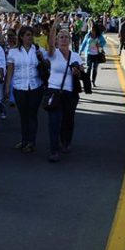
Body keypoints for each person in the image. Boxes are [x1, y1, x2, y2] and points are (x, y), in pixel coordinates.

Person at [45, 18, 84, 163]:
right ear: (56, 39)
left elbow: (82, 72)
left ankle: (66, 141)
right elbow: (49, 43)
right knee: (54, 121)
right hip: (54, 91)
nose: (63, 39)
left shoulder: (75, 55)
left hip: (70, 93)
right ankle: (54, 150)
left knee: (68, 120)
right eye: (60, 37)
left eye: (66, 37)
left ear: (69, 39)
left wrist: (77, 72)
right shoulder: (53, 53)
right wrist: (54, 26)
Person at [6, 26, 45, 153]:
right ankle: (24, 139)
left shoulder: (38, 50)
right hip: (19, 86)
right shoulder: (13, 52)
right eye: (27, 35)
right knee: (23, 115)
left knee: (32, 115)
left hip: (35, 86)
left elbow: (47, 65)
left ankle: (31, 142)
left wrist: (42, 58)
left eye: (31, 35)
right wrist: (7, 87)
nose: (30, 38)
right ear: (21, 37)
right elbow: (10, 70)